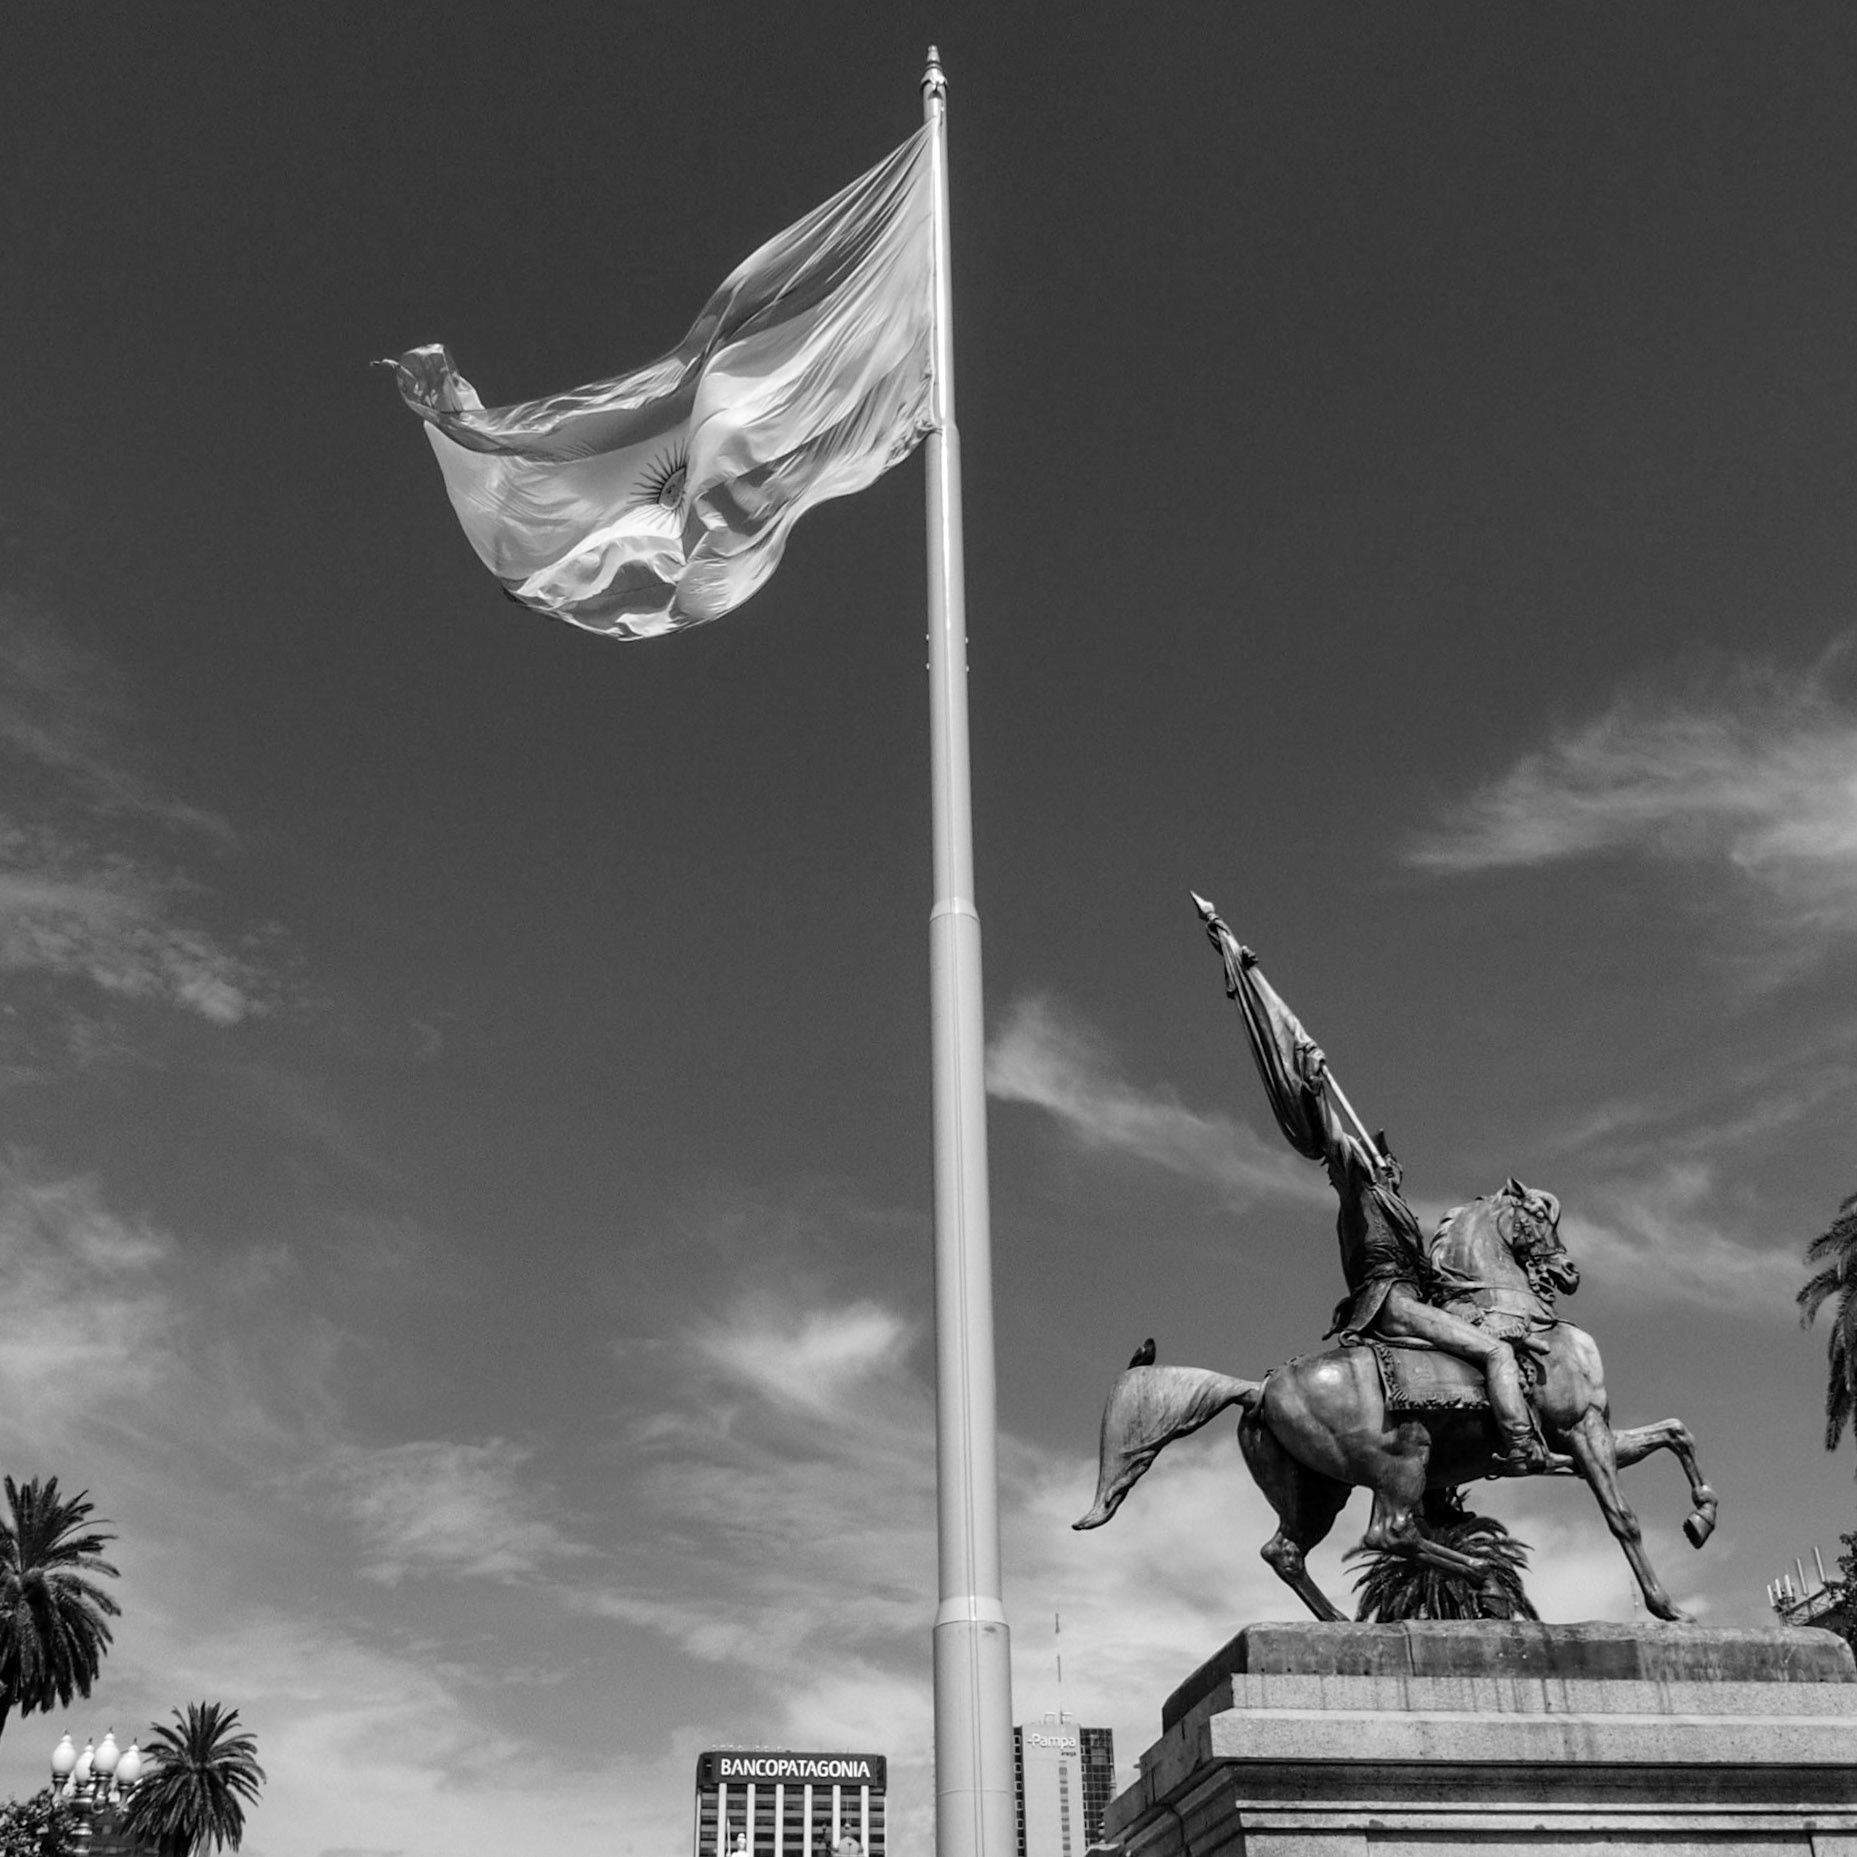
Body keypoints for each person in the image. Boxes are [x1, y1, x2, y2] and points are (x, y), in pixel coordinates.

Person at [1205, 915, 1544, 1474]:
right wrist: (1314, 1087)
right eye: (1382, 1158)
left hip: (1411, 1297)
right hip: (1391, 1303)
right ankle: (1520, 1443)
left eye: (1390, 1159)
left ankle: (1446, 1481)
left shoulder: (1396, 1209)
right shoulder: (1357, 1186)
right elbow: (1331, 1138)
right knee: (1493, 1352)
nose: (1389, 1162)